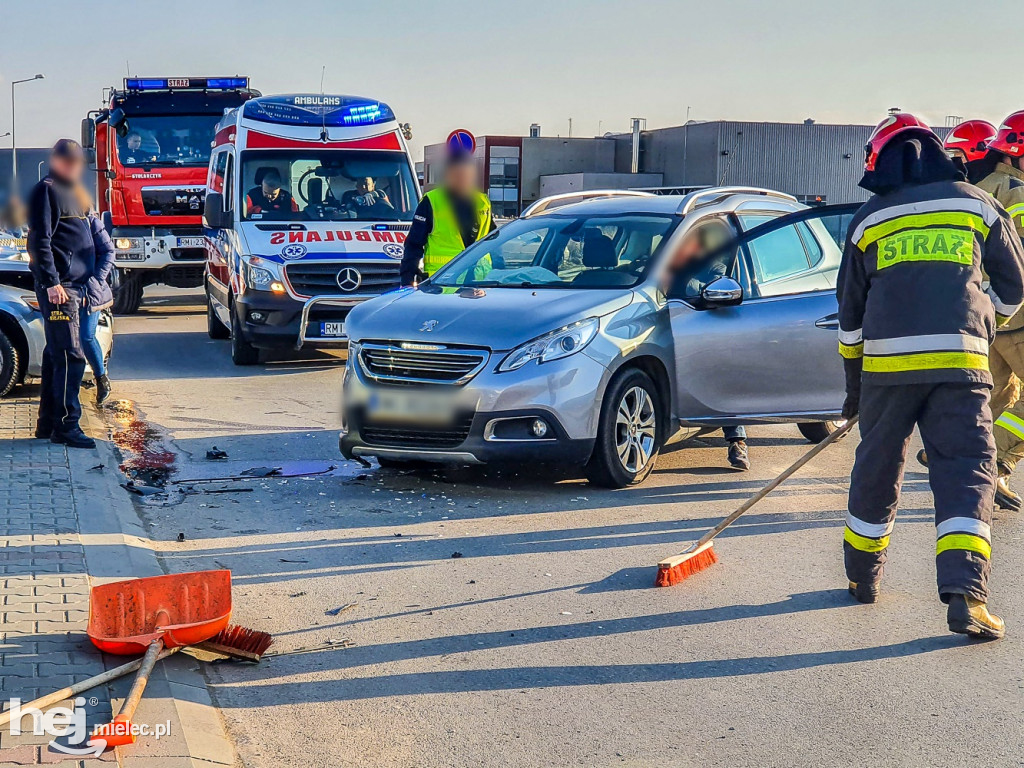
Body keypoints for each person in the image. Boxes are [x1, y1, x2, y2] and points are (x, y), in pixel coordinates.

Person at [838, 112, 1024, 638]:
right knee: (966, 472)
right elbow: (1014, 283)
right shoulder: (976, 203)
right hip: (961, 366)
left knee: (876, 468)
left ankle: (862, 578)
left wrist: (854, 389)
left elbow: (850, 316)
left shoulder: (869, 219)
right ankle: (968, 597)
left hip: (886, 371)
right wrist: (984, 319)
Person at [27, 139, 99, 449]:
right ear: (56, 160)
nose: (73, 166)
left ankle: (49, 424)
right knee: (71, 355)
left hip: (74, 286)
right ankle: (69, 426)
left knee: (56, 355)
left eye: (77, 161)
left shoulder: (71, 192)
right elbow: (39, 242)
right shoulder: (48, 190)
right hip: (60, 288)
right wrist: (53, 282)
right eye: (68, 161)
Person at [664, 221, 750, 470]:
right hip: (672, 330)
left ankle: (737, 441)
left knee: (724, 374)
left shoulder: (715, 268)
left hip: (708, 333)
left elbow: (712, 289)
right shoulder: (669, 264)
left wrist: (676, 282)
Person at [974, 111, 1024, 511]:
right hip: (1021, 316)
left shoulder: (976, 190)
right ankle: (999, 463)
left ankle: (966, 463)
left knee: (997, 398)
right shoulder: (1019, 193)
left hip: (986, 319)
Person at [401, 142, 495, 287]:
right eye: (457, 174)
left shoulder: (482, 202)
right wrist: (407, 279)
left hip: (480, 283)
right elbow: (414, 244)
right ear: (448, 175)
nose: (462, 178)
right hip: (443, 284)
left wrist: (501, 271)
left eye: (466, 174)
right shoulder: (432, 202)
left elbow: (495, 241)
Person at [74, 184, 114, 404]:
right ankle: (75, 382)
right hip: (69, 289)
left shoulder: (91, 221)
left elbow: (108, 251)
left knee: (86, 336)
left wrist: (96, 280)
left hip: (90, 291)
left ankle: (101, 378)